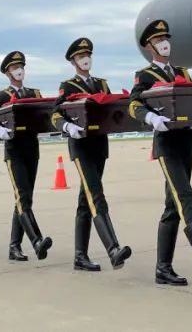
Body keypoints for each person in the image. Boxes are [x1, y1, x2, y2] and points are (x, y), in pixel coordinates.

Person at [129, 19, 192, 287]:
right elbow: (133, 104)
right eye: (158, 40)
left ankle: (162, 269)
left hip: (185, 142)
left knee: (172, 206)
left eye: (166, 39)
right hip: (167, 145)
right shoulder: (145, 75)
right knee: (185, 198)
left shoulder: (182, 72)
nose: (164, 43)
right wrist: (151, 118)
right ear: (149, 46)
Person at [51, 37, 132, 271]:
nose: (85, 59)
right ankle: (113, 249)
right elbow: (55, 114)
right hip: (81, 148)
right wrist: (67, 126)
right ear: (73, 61)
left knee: (85, 201)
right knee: (96, 195)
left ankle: (80, 256)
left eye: (87, 55)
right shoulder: (68, 86)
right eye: (80, 56)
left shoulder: (101, 84)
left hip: (99, 146)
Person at [0, 51, 53, 262]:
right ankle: (36, 240)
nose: (19, 70)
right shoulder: (2, 96)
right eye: (14, 68)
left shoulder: (34, 93)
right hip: (14, 152)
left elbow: (44, 113)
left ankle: (14, 247)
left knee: (24, 199)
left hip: (32, 149)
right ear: (8, 73)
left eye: (21, 66)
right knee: (23, 197)